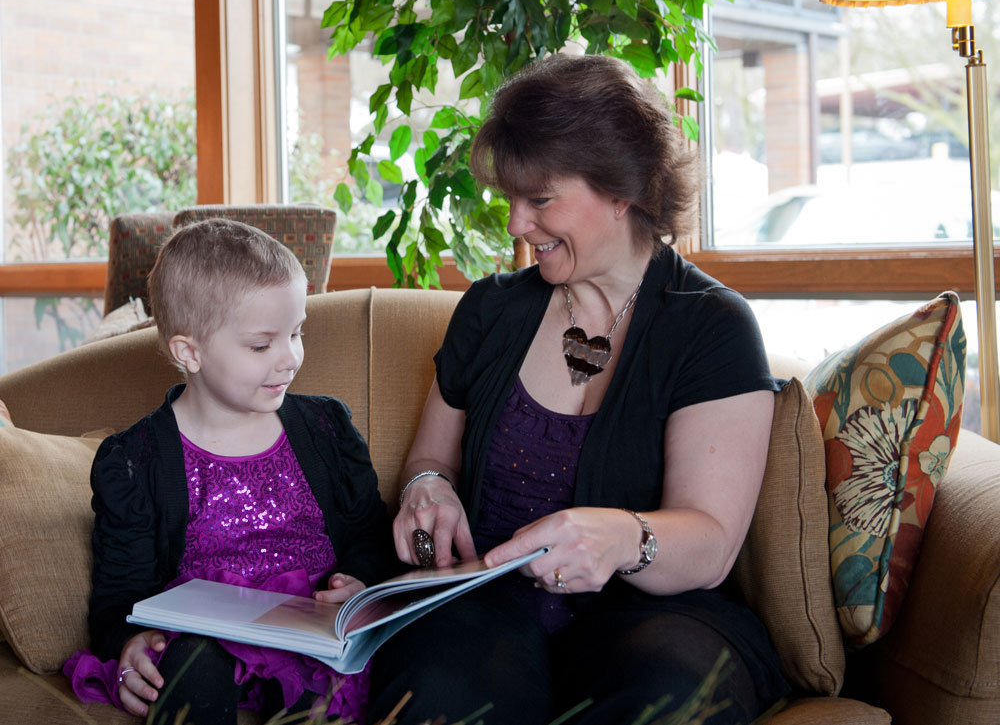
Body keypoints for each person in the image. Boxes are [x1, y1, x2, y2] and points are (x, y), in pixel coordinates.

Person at [368, 54, 790, 725]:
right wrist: (428, 489)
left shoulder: (709, 326)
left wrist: (624, 537)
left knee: (673, 692)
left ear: (621, 190)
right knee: (438, 683)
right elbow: (429, 460)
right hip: (487, 610)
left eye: (539, 199)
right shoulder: (490, 310)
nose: (515, 225)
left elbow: (709, 542)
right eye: (511, 199)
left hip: (648, 617)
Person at [64, 218, 395, 724]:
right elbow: (118, 597)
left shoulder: (326, 428)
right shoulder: (135, 462)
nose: (290, 359)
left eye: (297, 332)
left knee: (328, 694)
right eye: (262, 345)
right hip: (202, 644)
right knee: (190, 669)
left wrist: (360, 582)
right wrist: (127, 643)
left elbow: (371, 537)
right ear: (189, 352)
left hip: (314, 640)